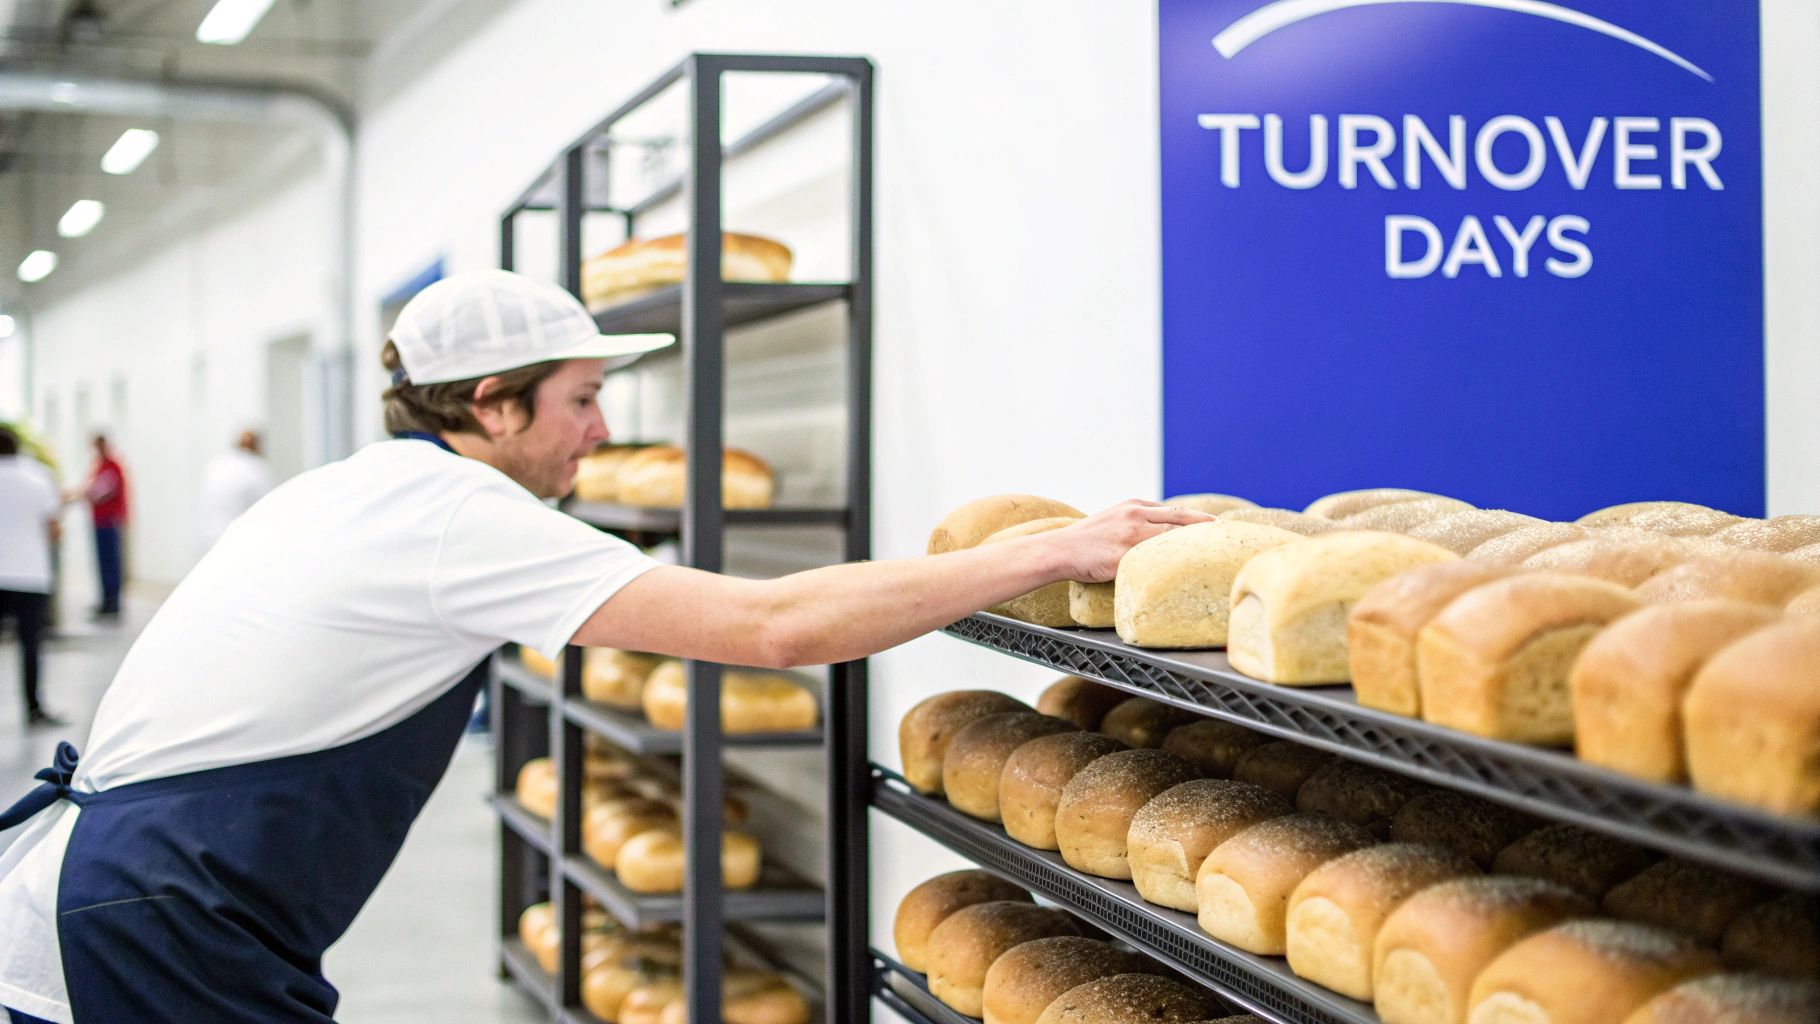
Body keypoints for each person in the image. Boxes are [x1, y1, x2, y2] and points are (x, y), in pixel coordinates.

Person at [0, 270, 1209, 1024]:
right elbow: (772, 625)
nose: (602, 427)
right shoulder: (455, 516)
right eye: (580, 396)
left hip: (143, 895)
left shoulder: (364, 488)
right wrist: (1043, 551)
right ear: (492, 405)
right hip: (156, 913)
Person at [0, 426, 64, 729]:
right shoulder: (38, 478)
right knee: (31, 644)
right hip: (30, 574)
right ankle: (33, 709)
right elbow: (53, 530)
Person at [71, 435, 128, 620]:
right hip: (99, 520)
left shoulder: (111, 466)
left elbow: (100, 491)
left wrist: (83, 493)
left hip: (108, 521)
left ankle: (112, 602)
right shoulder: (100, 465)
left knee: (110, 562)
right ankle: (106, 599)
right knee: (103, 562)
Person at [197, 429, 276, 553]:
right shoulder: (256, 469)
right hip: (242, 540)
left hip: (211, 537)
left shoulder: (217, 464)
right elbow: (267, 507)